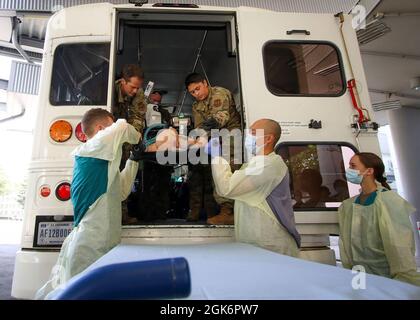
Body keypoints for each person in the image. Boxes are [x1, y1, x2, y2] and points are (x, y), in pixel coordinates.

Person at [35, 108, 142, 299]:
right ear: (101, 129)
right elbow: (123, 127)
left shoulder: (101, 163)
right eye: (110, 126)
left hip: (102, 240)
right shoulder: (92, 148)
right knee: (79, 292)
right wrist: (139, 139)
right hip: (90, 244)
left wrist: (133, 160)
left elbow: (121, 191)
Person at [208, 119, 301, 256]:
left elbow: (227, 188)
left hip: (271, 245)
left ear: (268, 138)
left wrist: (217, 157)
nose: (248, 137)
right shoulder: (254, 164)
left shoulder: (269, 165)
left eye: (253, 133)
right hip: (258, 243)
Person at [339, 152, 420, 286]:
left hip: (386, 274)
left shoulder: (389, 201)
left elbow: (399, 245)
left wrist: (403, 278)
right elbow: (346, 243)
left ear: (369, 171)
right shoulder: (348, 206)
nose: (349, 170)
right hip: (360, 274)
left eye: (353, 166)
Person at [185, 72, 242, 225]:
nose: (196, 94)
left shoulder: (219, 93)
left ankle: (229, 211)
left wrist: (200, 135)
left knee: (228, 170)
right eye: (192, 92)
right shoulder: (196, 105)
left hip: (230, 135)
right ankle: (224, 210)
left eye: (198, 88)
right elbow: (198, 128)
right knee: (216, 172)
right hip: (214, 139)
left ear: (205, 83)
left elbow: (220, 117)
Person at [112, 64, 147, 224]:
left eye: (137, 88)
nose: (135, 91)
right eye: (132, 87)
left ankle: (122, 213)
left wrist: (134, 138)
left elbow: (138, 117)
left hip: (125, 134)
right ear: (122, 81)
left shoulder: (138, 93)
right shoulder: (107, 90)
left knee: (123, 171)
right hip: (107, 134)